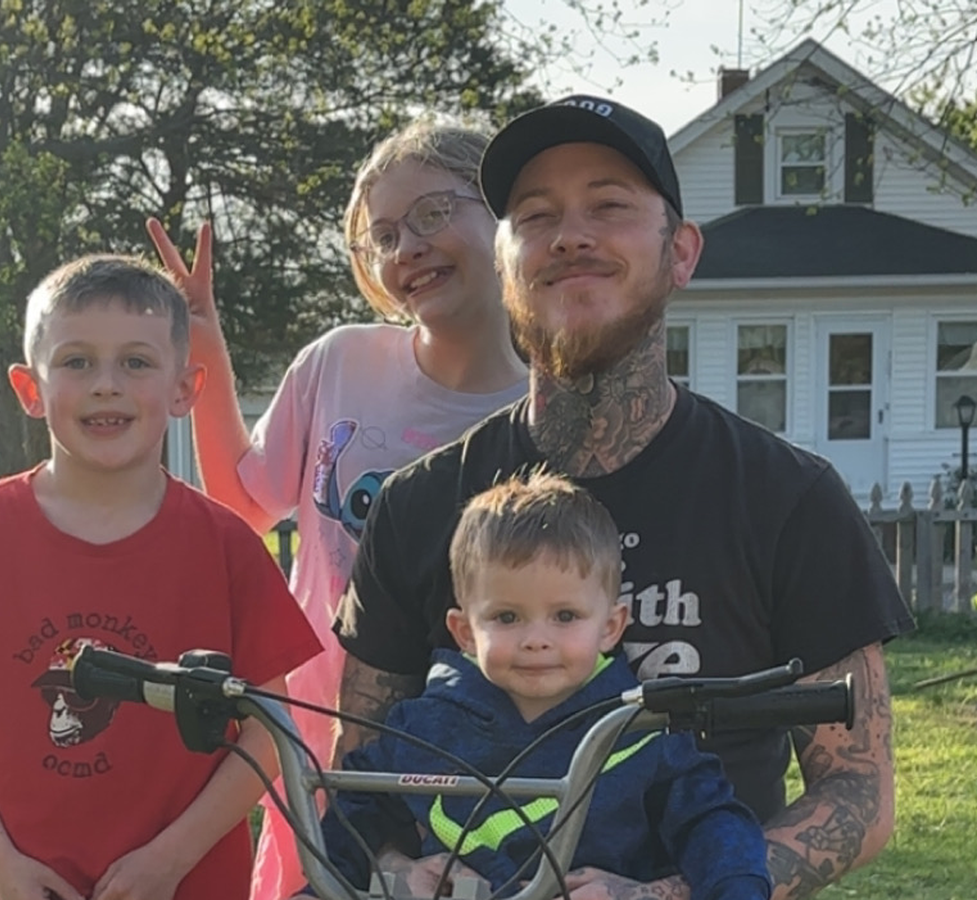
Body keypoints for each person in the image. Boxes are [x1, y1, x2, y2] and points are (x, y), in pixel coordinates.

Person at [333, 95, 915, 900]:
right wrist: (398, 870)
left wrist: (666, 896)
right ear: (505, 263)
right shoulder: (417, 506)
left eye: (608, 206)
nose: (570, 235)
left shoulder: (790, 500)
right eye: (536, 216)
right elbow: (360, 774)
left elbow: (858, 792)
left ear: (681, 252)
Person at [146, 119, 528, 900]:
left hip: (481, 758)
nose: (406, 248)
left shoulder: (548, 403)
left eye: (431, 214)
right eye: (383, 236)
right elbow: (246, 506)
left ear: (505, 213)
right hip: (314, 738)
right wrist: (206, 348)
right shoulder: (340, 362)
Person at [0, 255, 322, 900]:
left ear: (185, 388)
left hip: (185, 881)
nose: (106, 385)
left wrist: (171, 860)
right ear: (30, 389)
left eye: (136, 362)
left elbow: (269, 727)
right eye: (76, 361)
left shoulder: (228, 545)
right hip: (15, 883)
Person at [294, 473, 770, 900]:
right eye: (507, 617)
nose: (536, 640)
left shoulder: (643, 734)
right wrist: (342, 881)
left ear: (611, 626)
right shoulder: (424, 727)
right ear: (464, 631)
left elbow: (712, 822)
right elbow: (356, 807)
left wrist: (734, 889)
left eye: (565, 616)